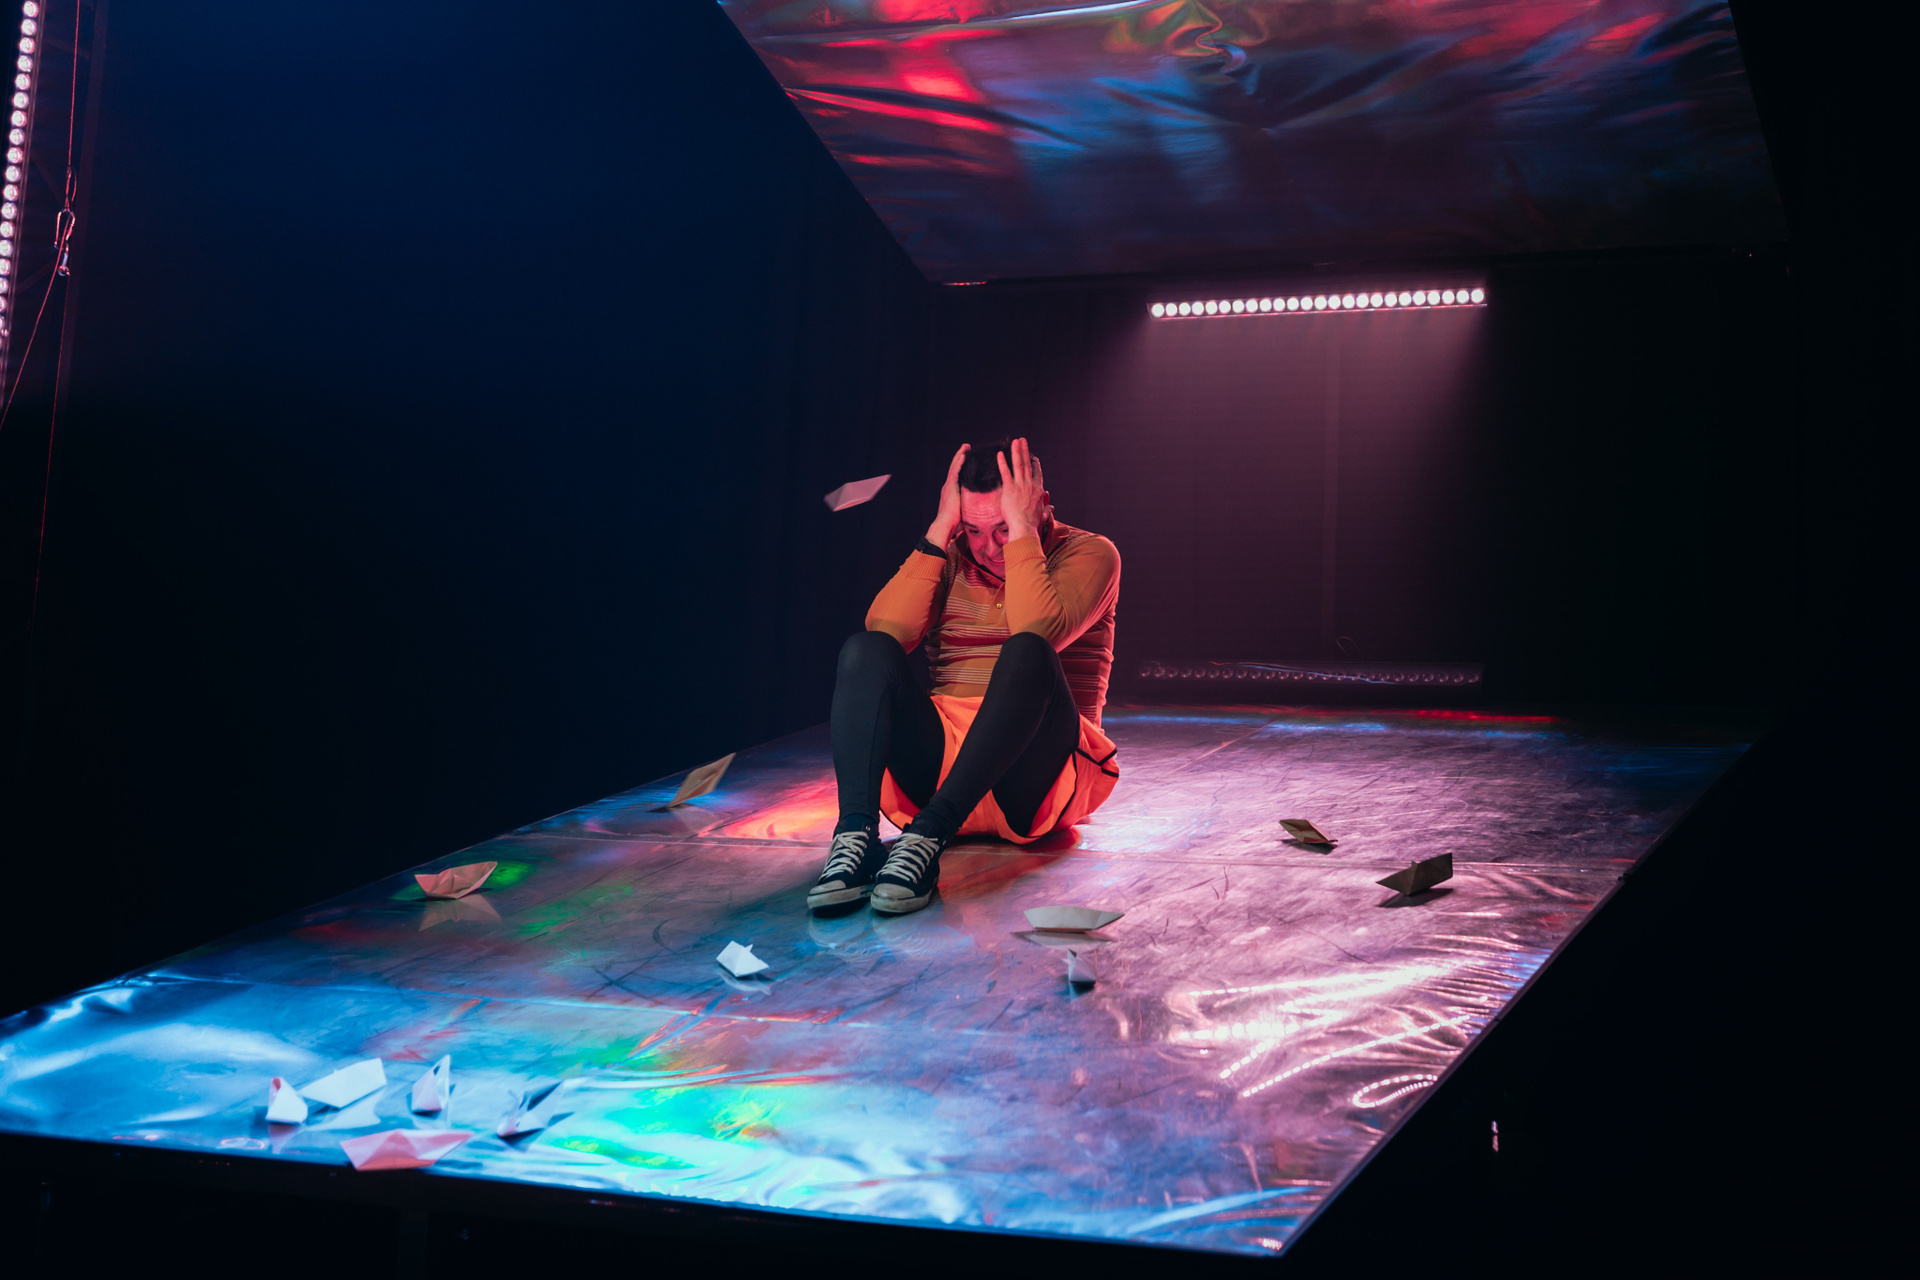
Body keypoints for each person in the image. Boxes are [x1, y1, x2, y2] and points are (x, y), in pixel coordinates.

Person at [810, 438, 1121, 915]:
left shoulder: (1090, 553)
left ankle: (928, 836)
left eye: (1003, 527)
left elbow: (1039, 630)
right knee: (865, 649)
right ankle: (856, 835)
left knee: (1027, 650)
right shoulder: (950, 555)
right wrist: (940, 529)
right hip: (943, 766)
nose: (990, 547)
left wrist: (1024, 536)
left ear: (1039, 506)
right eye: (974, 529)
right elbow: (887, 631)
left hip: (1035, 775)